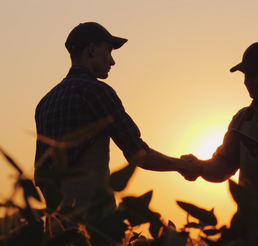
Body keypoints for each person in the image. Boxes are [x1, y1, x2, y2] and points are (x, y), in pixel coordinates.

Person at [34, 22, 201, 208]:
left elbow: (41, 175)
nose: (112, 61)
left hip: (57, 224)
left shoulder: (45, 102)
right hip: (93, 219)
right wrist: (184, 166)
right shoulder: (96, 91)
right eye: (109, 51)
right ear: (92, 49)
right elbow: (138, 153)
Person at [182, 41, 258, 205]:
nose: (247, 81)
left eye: (254, 74)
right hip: (251, 223)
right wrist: (198, 167)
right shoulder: (242, 118)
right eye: (245, 75)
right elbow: (224, 166)